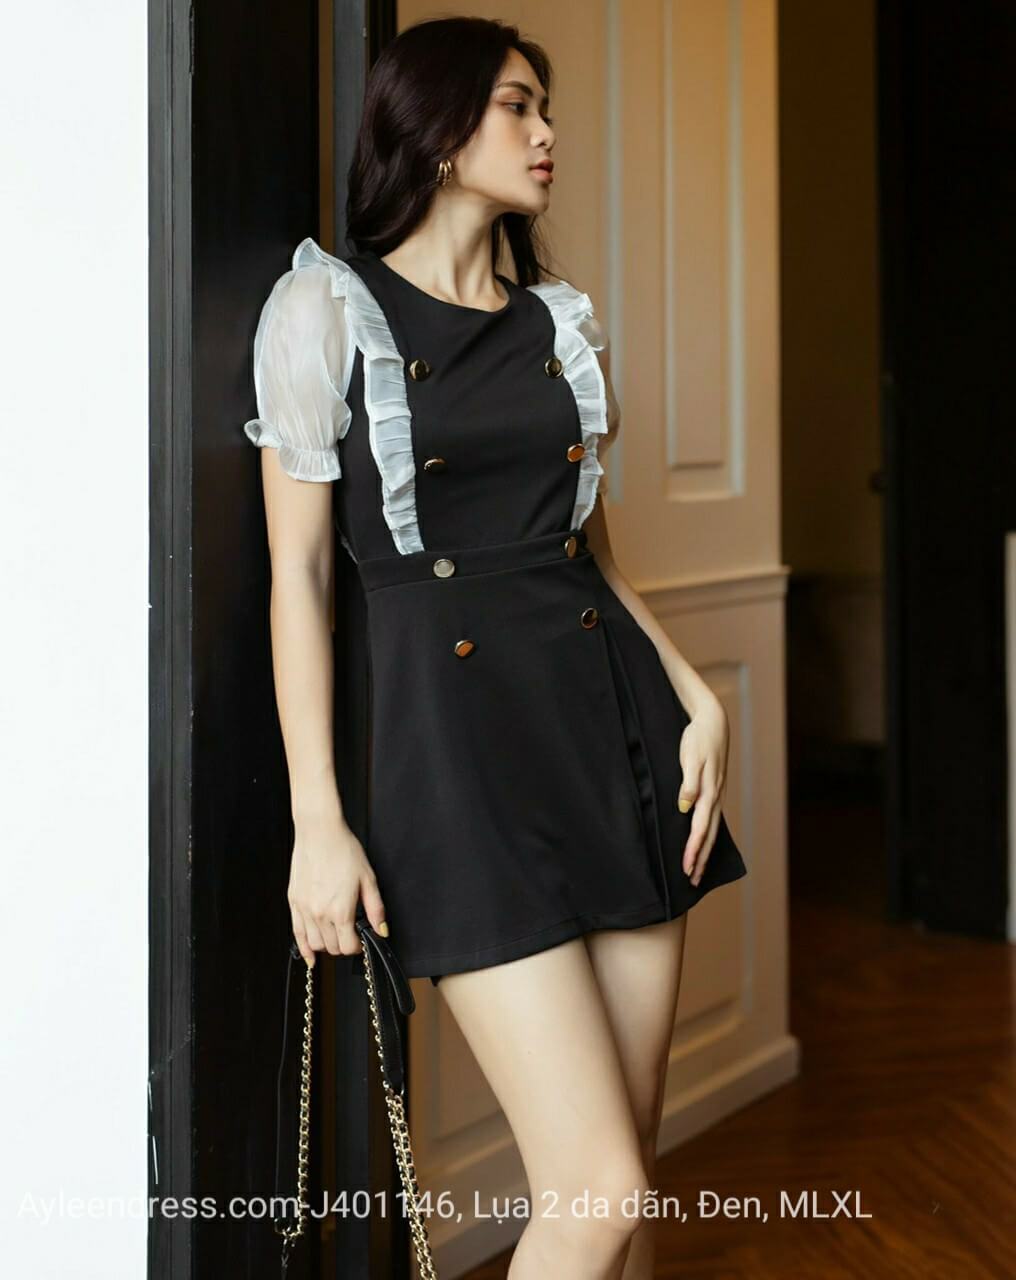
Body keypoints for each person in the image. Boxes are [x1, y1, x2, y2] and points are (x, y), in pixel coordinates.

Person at [243, 16, 747, 1279]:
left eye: (543, 107)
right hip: (455, 767)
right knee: (599, 1189)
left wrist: (696, 694)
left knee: (625, 1176)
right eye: (518, 106)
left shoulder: (558, 325)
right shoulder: (324, 311)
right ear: (435, 125)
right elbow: (300, 580)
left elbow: (586, 553)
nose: (546, 133)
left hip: (613, 734)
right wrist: (317, 819)